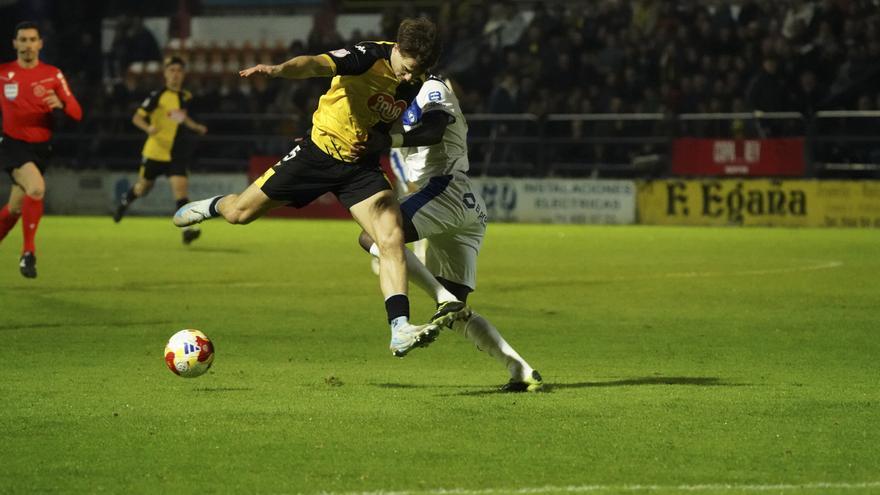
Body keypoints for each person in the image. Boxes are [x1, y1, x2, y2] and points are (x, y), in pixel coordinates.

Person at [173, 18, 458, 357]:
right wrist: (279, 69)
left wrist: (388, 139)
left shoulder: (420, 78)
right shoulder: (367, 56)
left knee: (391, 236)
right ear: (396, 49)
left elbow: (431, 126)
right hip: (316, 155)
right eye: (407, 69)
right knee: (239, 214)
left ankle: (399, 328)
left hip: (361, 167)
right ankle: (213, 206)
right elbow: (316, 63)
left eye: (416, 72)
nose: (409, 78)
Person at [357, 75, 543, 392]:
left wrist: (389, 141)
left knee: (372, 235)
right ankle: (521, 371)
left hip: (445, 190)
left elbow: (433, 130)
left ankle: (444, 298)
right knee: (459, 314)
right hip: (464, 204)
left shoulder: (432, 88)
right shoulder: (398, 102)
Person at [0, 21, 82, 278]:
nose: (27, 45)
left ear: (40, 43)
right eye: (22, 40)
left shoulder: (52, 74)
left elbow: (77, 113)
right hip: (13, 145)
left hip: (41, 149)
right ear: (14, 43)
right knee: (36, 188)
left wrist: (60, 104)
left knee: (14, 208)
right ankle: (28, 253)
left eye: (32, 40)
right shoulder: (2, 73)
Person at [113, 56, 208, 245]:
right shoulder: (158, 95)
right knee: (143, 188)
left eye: (179, 71)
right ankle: (126, 200)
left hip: (175, 153)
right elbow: (137, 118)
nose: (175, 74)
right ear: (165, 74)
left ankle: (187, 229)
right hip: (155, 151)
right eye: (172, 70)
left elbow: (180, 117)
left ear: (183, 75)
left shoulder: (185, 96)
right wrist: (148, 128)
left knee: (181, 190)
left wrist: (195, 126)